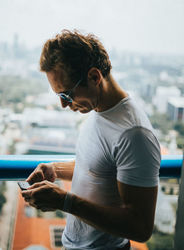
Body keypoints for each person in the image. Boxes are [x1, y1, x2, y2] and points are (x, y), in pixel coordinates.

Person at [21, 30, 161, 250]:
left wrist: (65, 201)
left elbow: (140, 228)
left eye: (67, 95)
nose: (63, 105)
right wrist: (55, 169)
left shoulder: (134, 134)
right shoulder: (99, 109)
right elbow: (98, 167)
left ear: (95, 77)